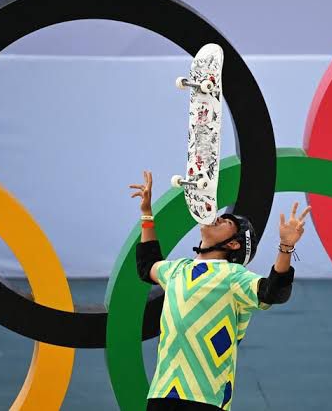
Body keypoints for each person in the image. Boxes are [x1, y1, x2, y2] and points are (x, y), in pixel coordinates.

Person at [129, 170, 311, 411]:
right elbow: (146, 265)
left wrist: (286, 247)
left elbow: (273, 292)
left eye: (227, 222)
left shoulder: (233, 276)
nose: (218, 218)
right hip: (163, 392)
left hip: (207, 398)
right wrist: (146, 215)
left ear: (233, 244)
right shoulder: (177, 270)